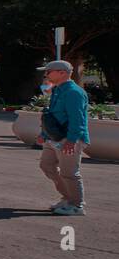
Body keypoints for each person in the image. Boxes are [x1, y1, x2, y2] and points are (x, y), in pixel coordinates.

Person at [36, 60, 89, 216]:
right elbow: (53, 115)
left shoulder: (74, 92)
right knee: (47, 166)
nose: (46, 75)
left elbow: (77, 119)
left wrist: (71, 141)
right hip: (54, 137)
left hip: (68, 138)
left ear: (62, 73)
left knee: (69, 173)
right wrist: (44, 134)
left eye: (49, 71)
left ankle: (77, 205)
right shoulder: (58, 90)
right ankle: (68, 198)